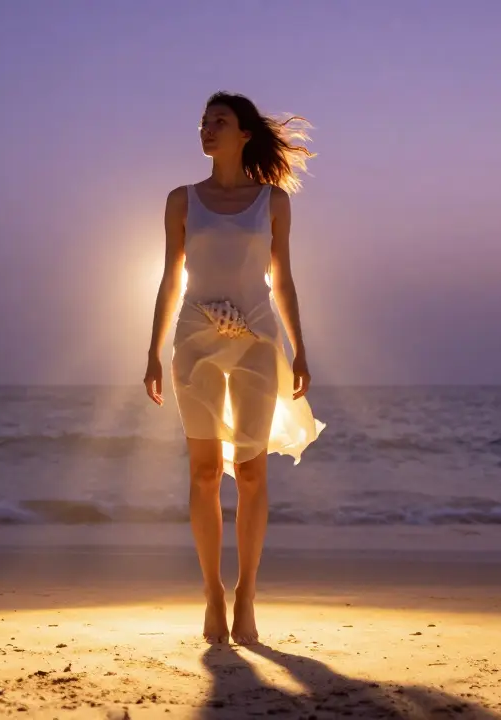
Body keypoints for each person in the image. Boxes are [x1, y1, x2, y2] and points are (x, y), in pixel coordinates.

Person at [143, 91, 325, 645]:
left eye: (218, 121)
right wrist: (152, 350)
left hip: (256, 340)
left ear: (244, 132)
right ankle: (213, 594)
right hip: (194, 339)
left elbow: (283, 280)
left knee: (249, 473)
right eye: (202, 122)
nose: (207, 129)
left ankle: (247, 594)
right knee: (201, 472)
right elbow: (171, 279)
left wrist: (300, 348)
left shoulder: (271, 201)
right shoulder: (181, 200)